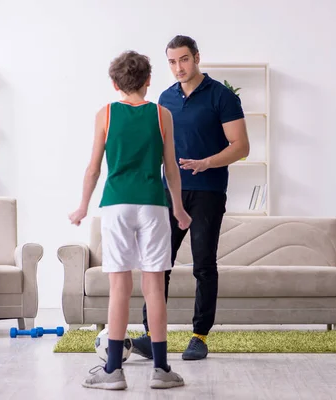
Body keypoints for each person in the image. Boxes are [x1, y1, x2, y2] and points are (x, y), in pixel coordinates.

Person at [68, 50, 191, 390]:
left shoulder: (105, 113)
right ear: (149, 81)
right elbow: (172, 169)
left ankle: (112, 371)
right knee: (154, 287)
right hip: (153, 206)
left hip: (117, 206)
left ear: (114, 83)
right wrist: (179, 209)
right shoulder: (162, 114)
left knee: (119, 288)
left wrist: (82, 207)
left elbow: (93, 167)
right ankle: (162, 369)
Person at [131, 35, 250, 361]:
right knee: (158, 265)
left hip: (209, 192)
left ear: (196, 57)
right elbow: (156, 145)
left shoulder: (221, 97)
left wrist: (206, 163)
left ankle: (199, 336)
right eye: (171, 62)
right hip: (169, 193)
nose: (178, 67)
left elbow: (241, 146)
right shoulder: (165, 99)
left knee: (203, 264)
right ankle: (152, 335)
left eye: (183, 59)